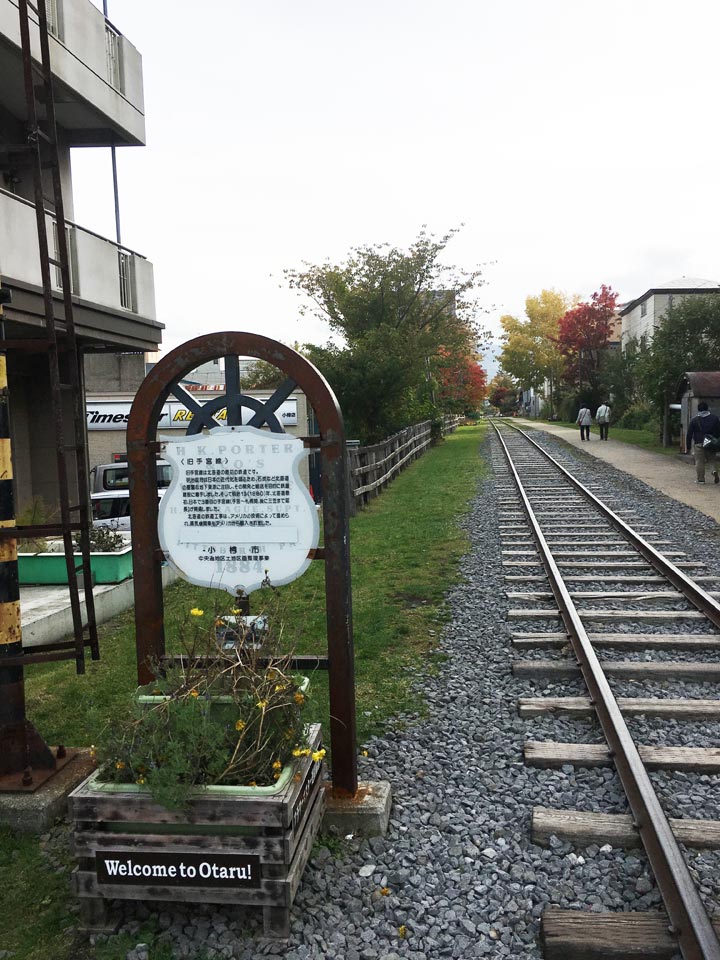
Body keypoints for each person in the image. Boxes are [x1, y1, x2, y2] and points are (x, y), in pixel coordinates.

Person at [686, 401, 720, 484]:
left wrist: (688, 446)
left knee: (699, 461)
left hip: (699, 443)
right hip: (710, 443)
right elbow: (719, 431)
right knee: (712, 460)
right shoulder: (715, 418)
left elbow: (689, 434)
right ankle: (714, 471)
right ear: (707, 409)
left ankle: (700, 479)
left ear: (698, 410)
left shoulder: (694, 420)